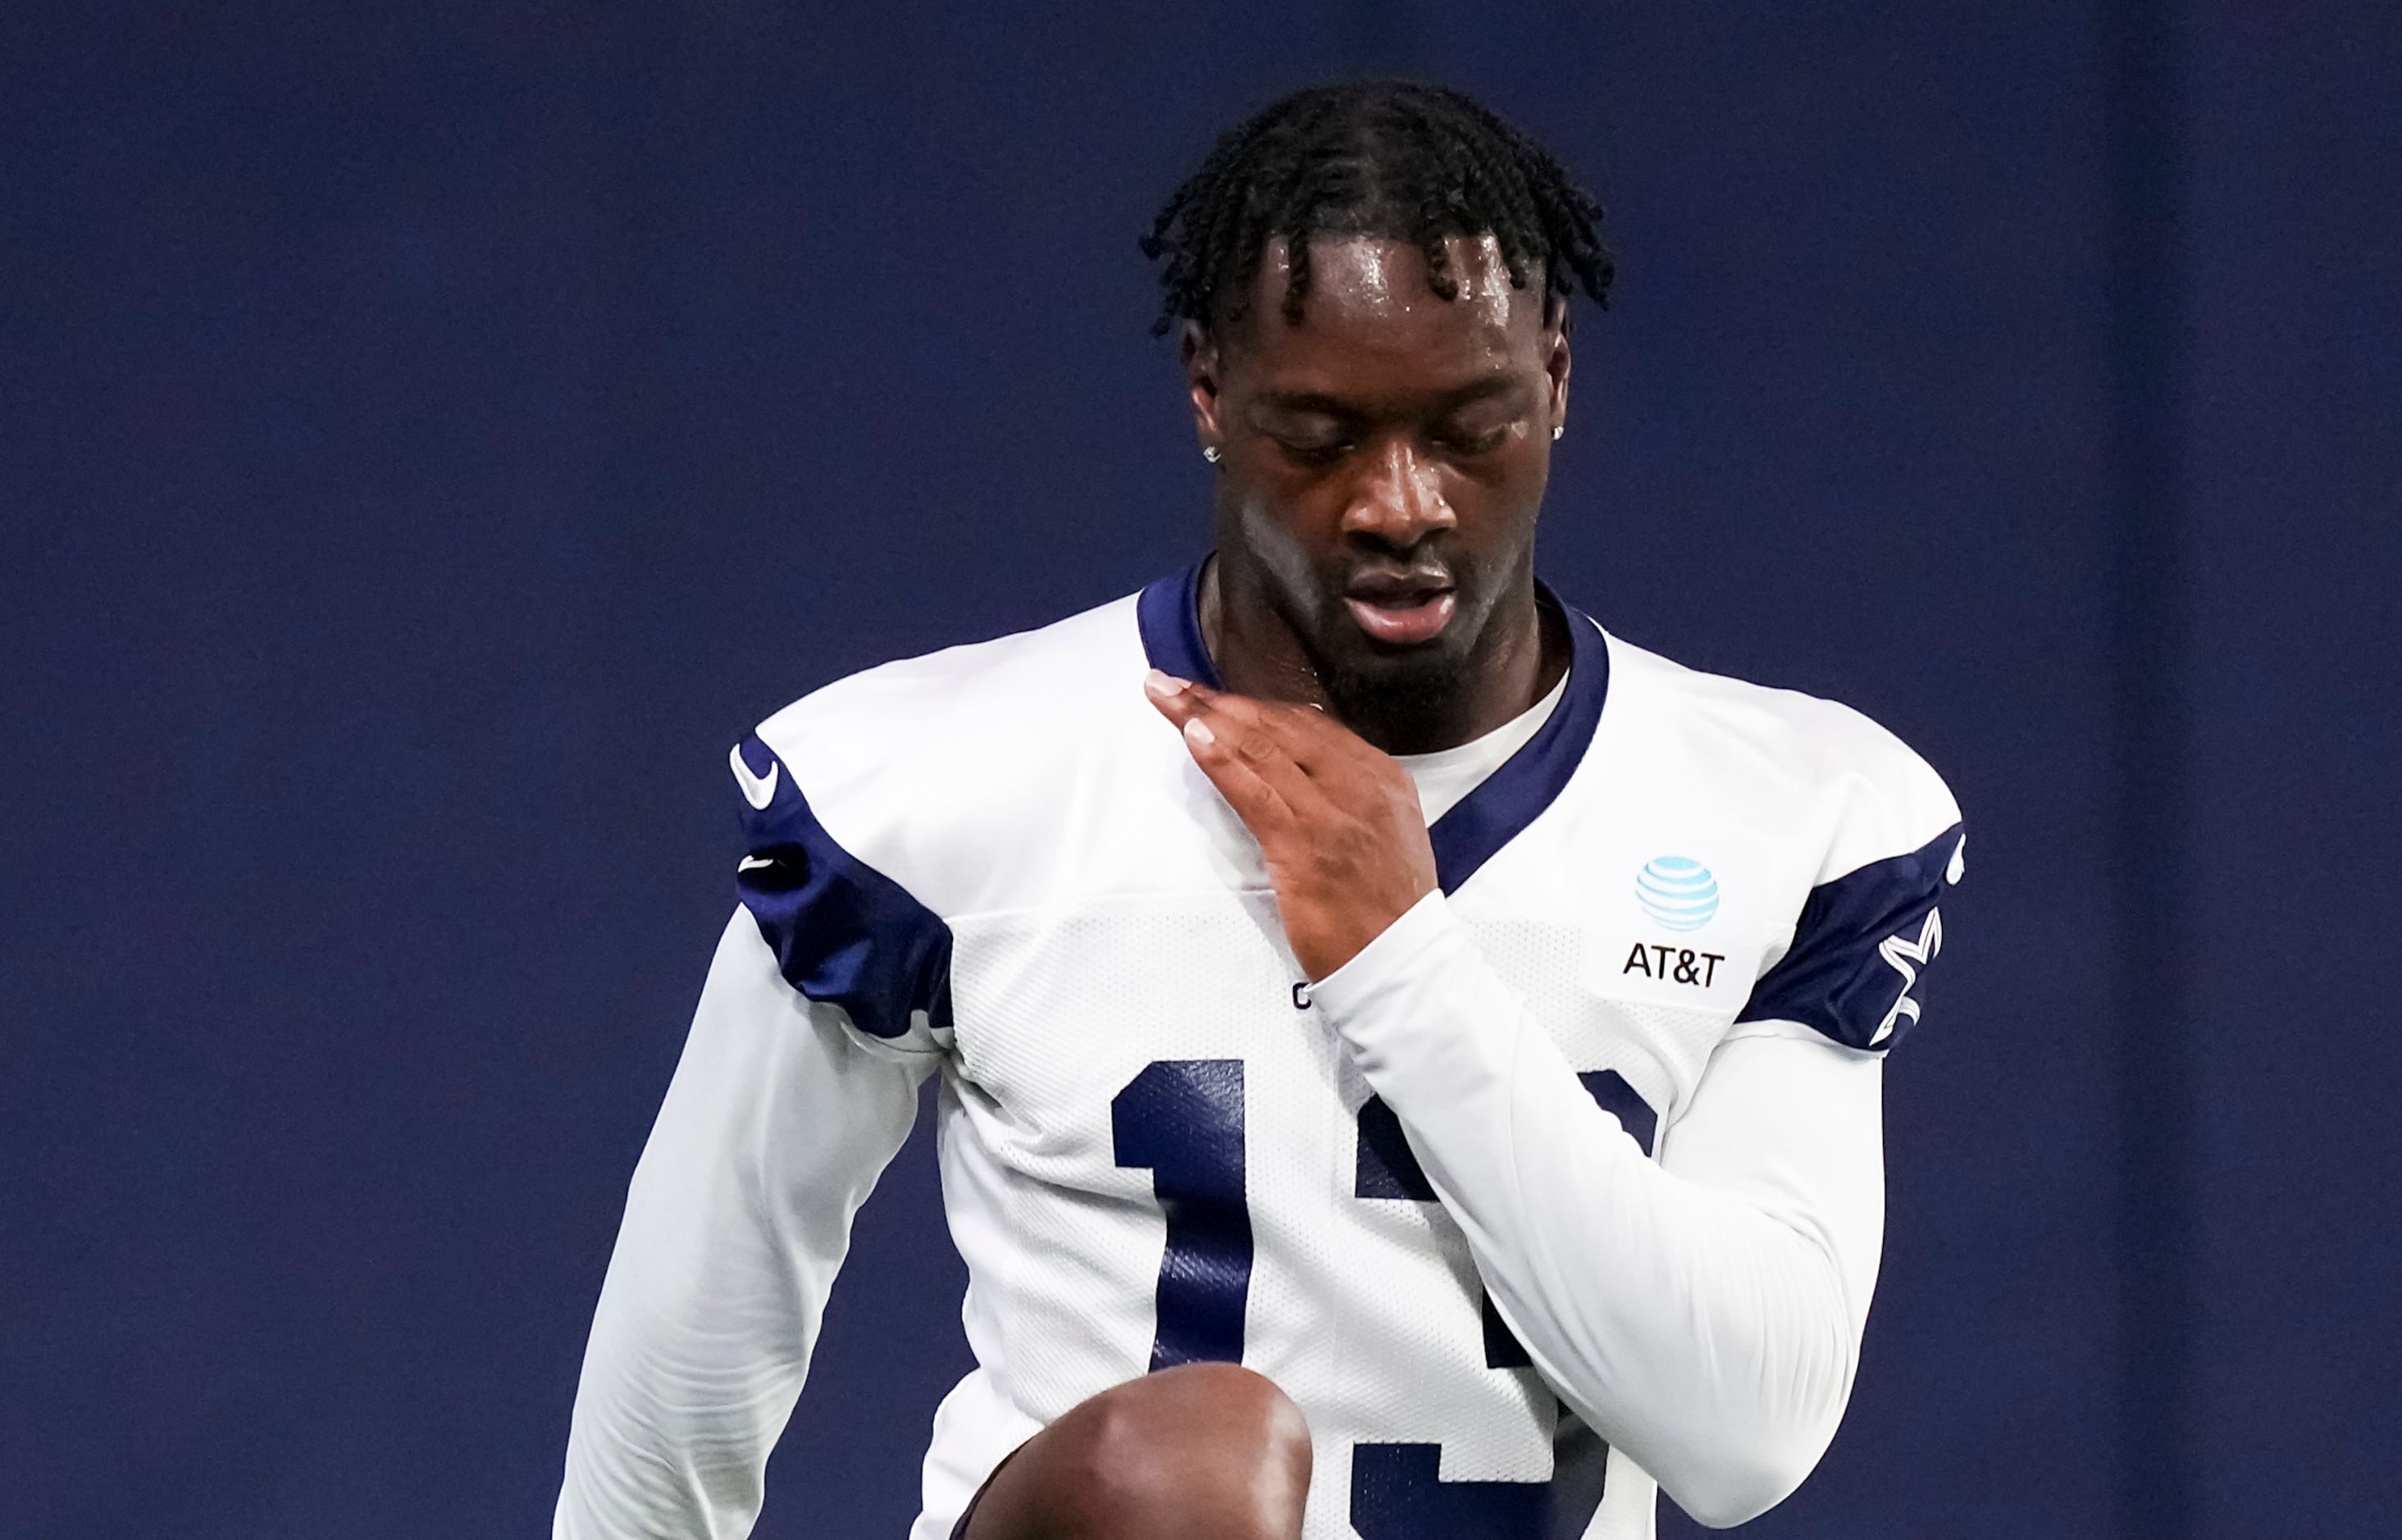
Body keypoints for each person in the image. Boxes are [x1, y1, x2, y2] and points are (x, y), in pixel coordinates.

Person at [555, 79, 1965, 1540]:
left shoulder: (1785, 808)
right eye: (1322, 434)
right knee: (1188, 1478)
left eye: (1467, 425)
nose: (1399, 501)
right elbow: (688, 1344)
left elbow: (1746, 1437)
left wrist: (1399, 960)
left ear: (1556, 378)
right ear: (1208, 393)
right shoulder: (942, 783)